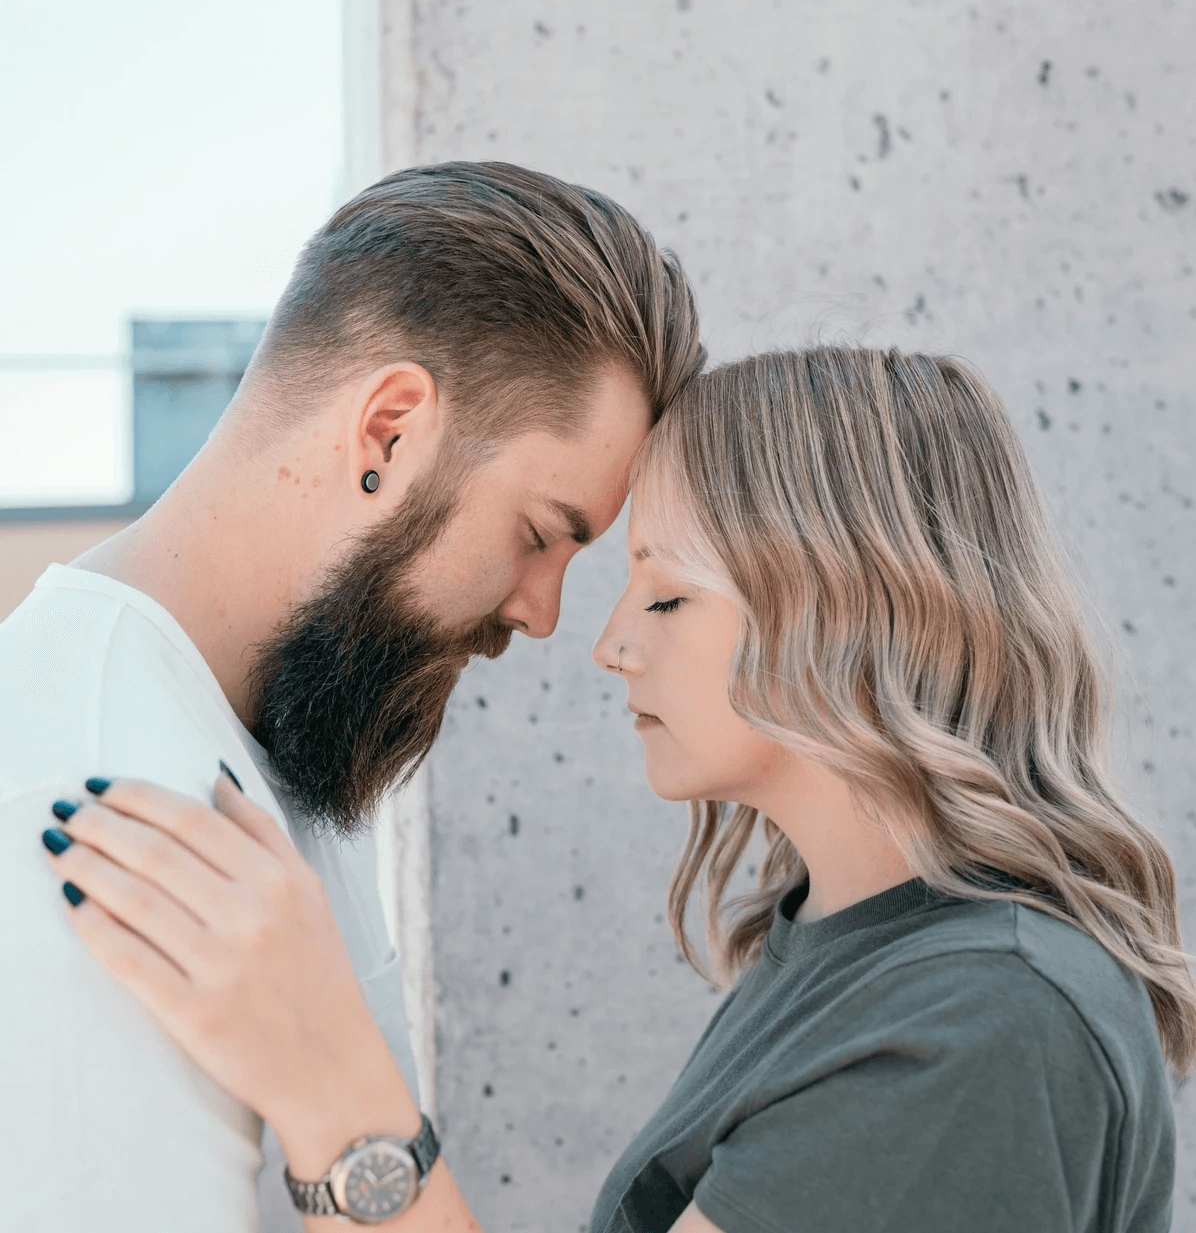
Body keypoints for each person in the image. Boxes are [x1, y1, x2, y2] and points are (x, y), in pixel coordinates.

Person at [37, 346, 1193, 1232]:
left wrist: (332, 1085)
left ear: (852, 613)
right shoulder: (846, 946)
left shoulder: (979, 1023)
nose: (606, 644)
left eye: (667, 593)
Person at [0, 160, 703, 1232]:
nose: (544, 615)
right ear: (388, 430)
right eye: (537, 535)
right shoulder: (102, 802)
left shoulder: (280, 744)